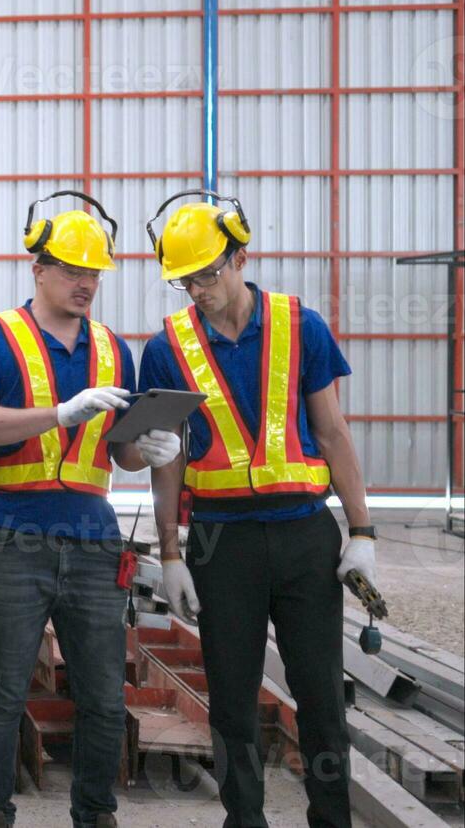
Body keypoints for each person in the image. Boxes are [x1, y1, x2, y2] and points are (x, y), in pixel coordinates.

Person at [140, 191, 373, 828]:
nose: (198, 290)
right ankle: (244, 819)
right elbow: (168, 459)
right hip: (222, 543)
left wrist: (362, 530)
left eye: (208, 274)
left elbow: (332, 432)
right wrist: (169, 553)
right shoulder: (167, 347)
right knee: (232, 704)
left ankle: (332, 820)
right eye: (185, 279)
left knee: (322, 698)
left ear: (240, 257)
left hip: (304, 534)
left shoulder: (303, 326)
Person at [0, 191, 182, 828]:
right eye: (74, 270)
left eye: (95, 272)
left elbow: (120, 454)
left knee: (105, 698)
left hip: (93, 541)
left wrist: (147, 446)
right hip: (14, 536)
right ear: (39, 268)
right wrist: (57, 413)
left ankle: (95, 815)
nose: (86, 283)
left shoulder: (114, 350)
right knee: (3, 690)